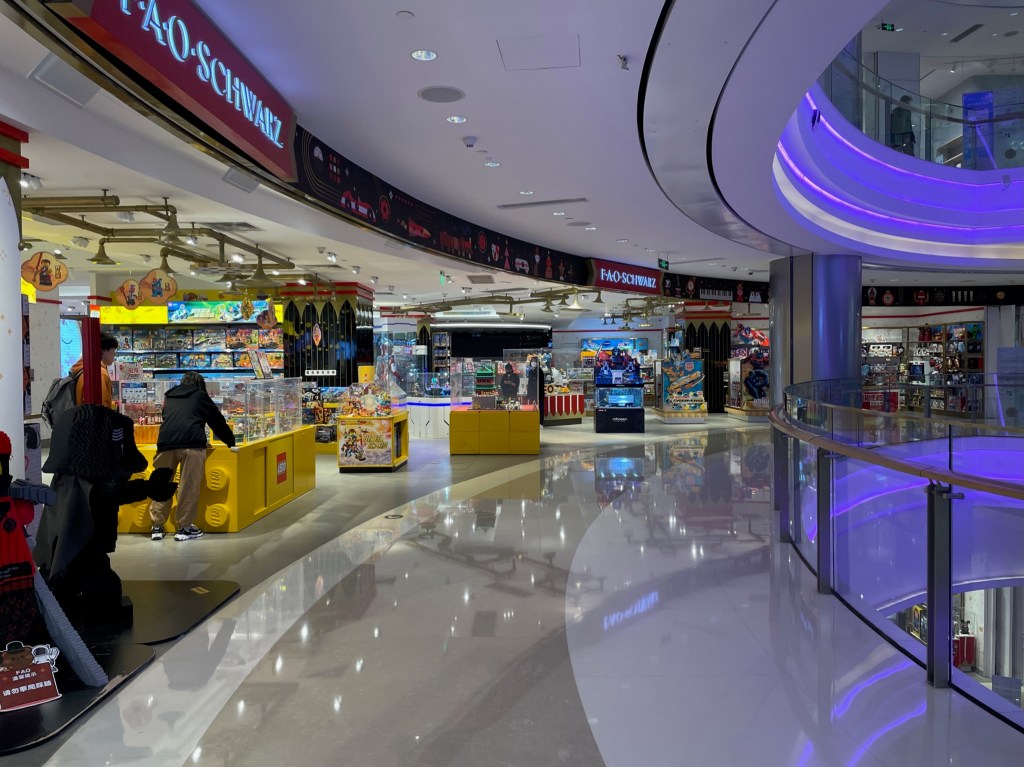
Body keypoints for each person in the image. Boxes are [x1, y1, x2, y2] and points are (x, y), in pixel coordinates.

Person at [149, 372, 236, 542]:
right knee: (188, 486)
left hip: (165, 443)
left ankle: (156, 527)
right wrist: (230, 441)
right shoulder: (200, 395)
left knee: (162, 484)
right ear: (200, 384)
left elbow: (170, 418)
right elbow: (216, 420)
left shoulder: (169, 395)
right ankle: (184, 528)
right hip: (192, 445)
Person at [70, 332, 119, 409]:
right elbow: (102, 408)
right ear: (104, 350)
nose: (115, 354)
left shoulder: (84, 368)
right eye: (114, 351)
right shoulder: (99, 374)